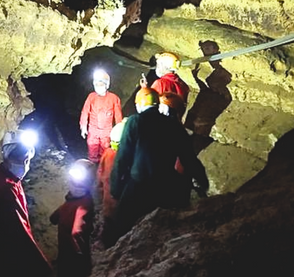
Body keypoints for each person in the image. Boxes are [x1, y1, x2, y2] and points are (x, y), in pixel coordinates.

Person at [109, 87, 209, 246]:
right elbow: (188, 158)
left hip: (138, 184)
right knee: (160, 231)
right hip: (164, 185)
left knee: (121, 226)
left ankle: (112, 252)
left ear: (139, 105)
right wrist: (202, 181)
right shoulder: (172, 125)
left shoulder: (135, 122)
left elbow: (123, 158)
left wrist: (115, 187)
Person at [0, 130, 52, 277]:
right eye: (21, 160)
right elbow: (19, 232)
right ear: (7, 158)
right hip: (6, 253)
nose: (25, 165)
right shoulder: (7, 188)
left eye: (27, 160)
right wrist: (42, 265)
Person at [184, 41, 233, 155]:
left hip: (199, 120)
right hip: (204, 118)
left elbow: (204, 91)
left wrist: (196, 78)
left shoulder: (192, 121)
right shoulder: (221, 98)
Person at [50, 159, 96, 277]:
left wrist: (78, 251)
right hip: (66, 241)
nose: (73, 185)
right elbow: (66, 206)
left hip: (70, 248)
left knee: (68, 268)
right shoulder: (76, 198)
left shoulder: (83, 205)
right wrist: (55, 216)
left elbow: (76, 232)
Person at [80, 69, 123, 164]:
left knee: (105, 149)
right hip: (93, 129)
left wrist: (119, 132)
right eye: (96, 85)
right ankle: (92, 166)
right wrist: (83, 127)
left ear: (106, 85)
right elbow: (85, 112)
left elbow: (118, 116)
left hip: (107, 131)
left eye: (101, 85)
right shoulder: (91, 97)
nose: (98, 87)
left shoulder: (113, 98)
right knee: (92, 147)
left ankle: (103, 167)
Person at [96, 118, 126, 248]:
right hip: (119, 198)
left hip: (108, 195)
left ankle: (105, 240)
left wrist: (99, 188)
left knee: (108, 219)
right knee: (114, 221)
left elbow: (100, 172)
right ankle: (109, 242)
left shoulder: (108, 153)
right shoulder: (125, 157)